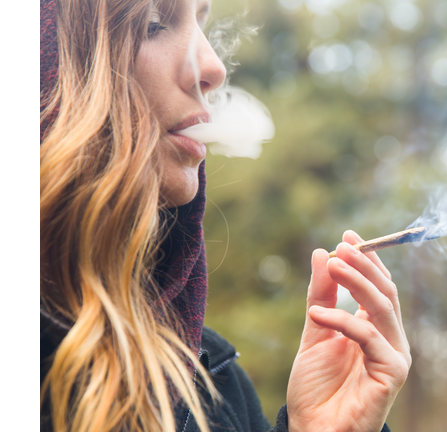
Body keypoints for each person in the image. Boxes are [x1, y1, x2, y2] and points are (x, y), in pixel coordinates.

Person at [39, 0, 412, 431]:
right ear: (49, 63)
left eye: (202, 25)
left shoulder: (214, 389)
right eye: (155, 25)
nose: (213, 67)